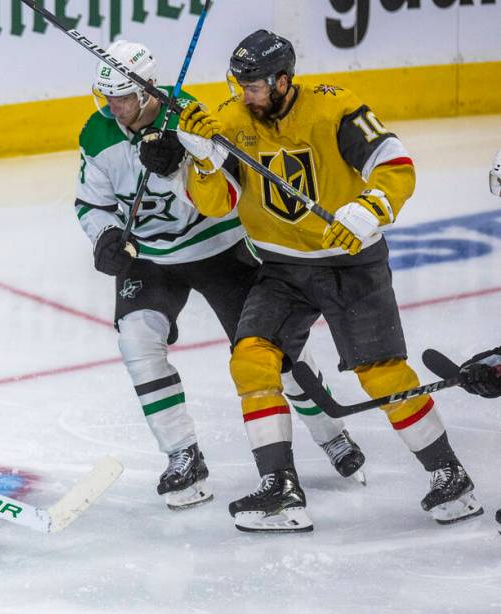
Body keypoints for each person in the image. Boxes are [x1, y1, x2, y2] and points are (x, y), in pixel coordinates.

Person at [165, 29, 482, 531]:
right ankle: (280, 490)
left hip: (349, 262)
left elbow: (395, 163)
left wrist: (370, 206)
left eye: (253, 86)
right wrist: (202, 160)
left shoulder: (334, 109)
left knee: (382, 374)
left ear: (283, 80)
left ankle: (450, 477)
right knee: (251, 361)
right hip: (280, 268)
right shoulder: (228, 120)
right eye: (239, 84)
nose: (244, 94)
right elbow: (215, 202)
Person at [76, 40, 365, 512]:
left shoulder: (189, 115)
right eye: (107, 98)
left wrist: (180, 165)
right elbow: (91, 203)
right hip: (149, 257)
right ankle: (182, 455)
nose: (115, 108)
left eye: (125, 98)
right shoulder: (97, 132)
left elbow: (223, 193)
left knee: (275, 350)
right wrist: (105, 235)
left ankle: (331, 431)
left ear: (149, 92)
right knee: (136, 342)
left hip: (219, 248)